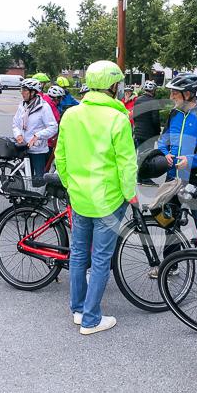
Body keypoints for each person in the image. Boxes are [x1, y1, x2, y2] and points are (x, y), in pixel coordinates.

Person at [55, 60, 137, 335]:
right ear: (113, 86)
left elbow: (61, 157)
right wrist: (130, 194)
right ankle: (91, 319)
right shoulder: (118, 118)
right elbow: (126, 163)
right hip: (108, 199)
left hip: (80, 196)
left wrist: (70, 185)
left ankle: (78, 310)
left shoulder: (71, 115)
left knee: (79, 254)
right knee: (100, 259)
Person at [157, 73, 197, 244]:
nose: (171, 97)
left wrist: (191, 160)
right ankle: (171, 264)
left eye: (174, 93)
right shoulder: (174, 114)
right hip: (174, 176)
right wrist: (165, 153)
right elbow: (164, 140)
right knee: (168, 222)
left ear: (188, 93)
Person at [12, 78, 58, 182]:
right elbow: (15, 123)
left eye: (25, 90)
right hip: (24, 149)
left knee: (38, 181)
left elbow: (53, 127)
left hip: (38, 151)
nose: (22, 93)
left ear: (33, 92)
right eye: (21, 90)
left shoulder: (44, 108)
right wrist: (18, 135)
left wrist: (37, 136)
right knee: (25, 180)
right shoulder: (22, 106)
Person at [132, 80, 161, 186]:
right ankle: (145, 178)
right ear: (153, 90)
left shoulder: (137, 100)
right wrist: (158, 133)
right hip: (149, 134)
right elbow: (155, 120)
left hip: (138, 133)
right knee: (148, 156)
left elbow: (134, 115)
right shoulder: (154, 102)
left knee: (140, 155)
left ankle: (139, 177)